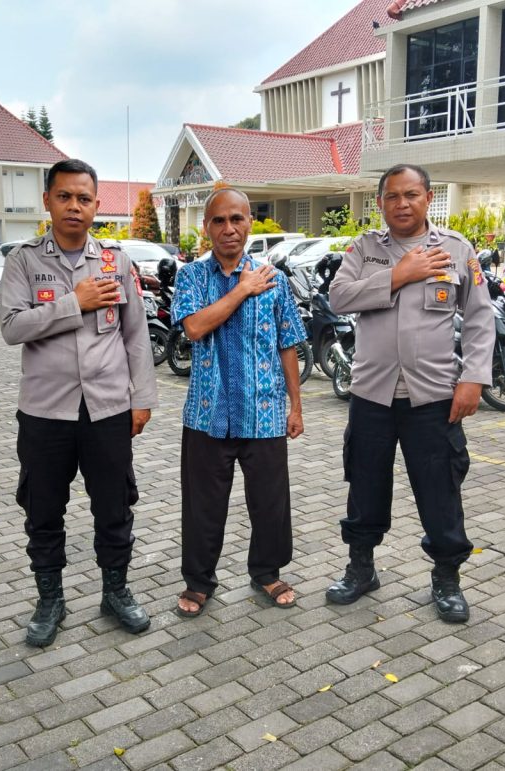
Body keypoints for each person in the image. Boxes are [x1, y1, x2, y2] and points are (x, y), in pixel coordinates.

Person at [0, 158, 158, 647]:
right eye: (64, 196)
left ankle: (116, 592)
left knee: (115, 507)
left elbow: (135, 337)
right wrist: (75, 302)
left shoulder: (116, 261)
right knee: (44, 510)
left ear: (95, 205)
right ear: (47, 200)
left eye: (84, 198)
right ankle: (50, 600)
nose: (74, 206)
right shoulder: (23, 261)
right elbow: (11, 327)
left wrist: (142, 398)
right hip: (46, 413)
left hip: (108, 410)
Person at [326, 163, 494, 623]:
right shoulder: (364, 249)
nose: (402, 204)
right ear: (380, 202)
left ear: (428, 197)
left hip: (434, 397)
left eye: (411, 195)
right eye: (393, 196)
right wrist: (399, 275)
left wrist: (474, 377)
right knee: (365, 486)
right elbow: (338, 298)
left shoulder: (456, 250)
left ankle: (447, 579)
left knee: (440, 491)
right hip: (373, 395)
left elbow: (480, 319)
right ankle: (361, 569)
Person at [172, 187, 307, 617]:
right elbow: (194, 327)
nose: (228, 229)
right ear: (207, 227)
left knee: (270, 501)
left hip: (264, 411)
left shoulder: (275, 279)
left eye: (237, 219)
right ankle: (198, 581)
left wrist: (296, 406)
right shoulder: (192, 277)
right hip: (207, 413)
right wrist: (242, 289)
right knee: (202, 506)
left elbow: (288, 344)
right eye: (218, 221)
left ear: (250, 223)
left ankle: (267, 572)